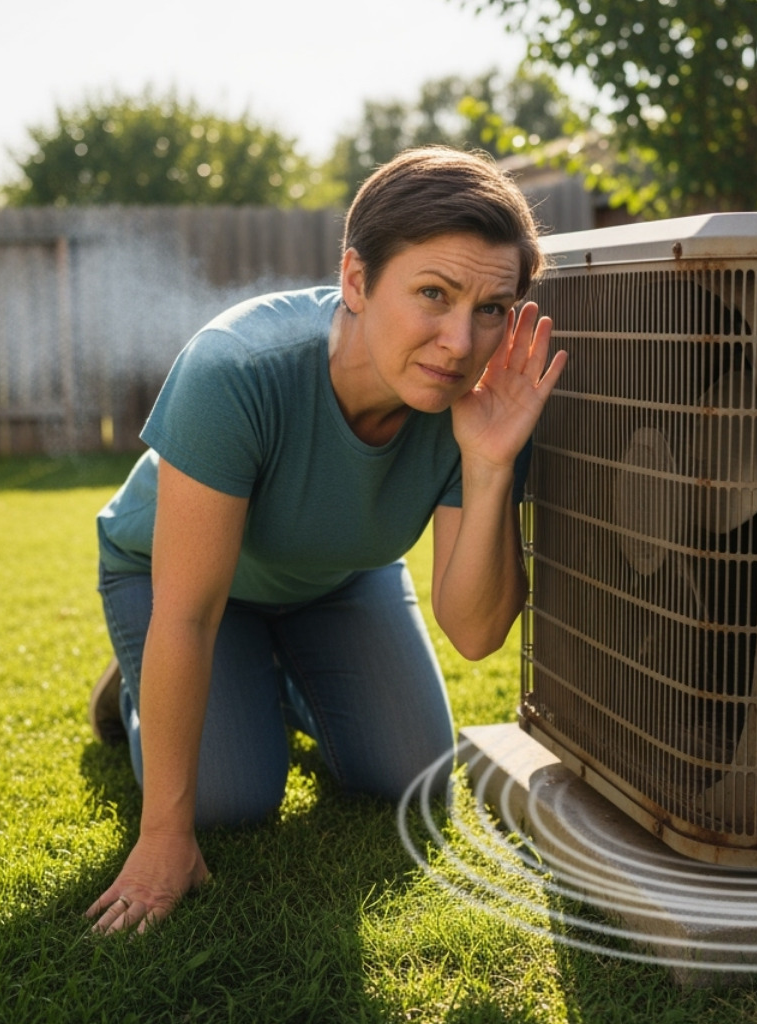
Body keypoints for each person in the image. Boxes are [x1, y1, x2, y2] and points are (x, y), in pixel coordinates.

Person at [84, 147, 566, 934]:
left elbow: (477, 632)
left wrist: (487, 467)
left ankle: (269, 672)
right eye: (433, 295)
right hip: (184, 588)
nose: (458, 342)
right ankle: (138, 688)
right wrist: (164, 835)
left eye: (490, 309)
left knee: (414, 770)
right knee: (230, 800)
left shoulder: (483, 405)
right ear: (355, 281)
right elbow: (187, 615)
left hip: (339, 577)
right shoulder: (236, 368)